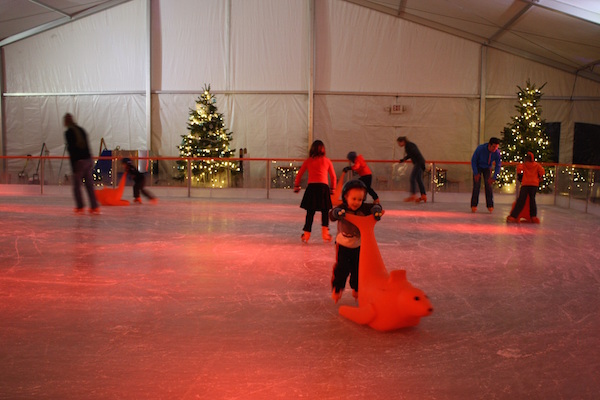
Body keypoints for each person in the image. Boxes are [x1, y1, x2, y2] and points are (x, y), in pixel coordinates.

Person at [329, 180, 383, 303]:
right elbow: (331, 215)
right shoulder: (342, 208)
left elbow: (377, 206)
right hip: (343, 245)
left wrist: (376, 209)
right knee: (342, 268)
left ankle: (357, 289)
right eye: (354, 199)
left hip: (359, 245)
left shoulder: (364, 208)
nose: (357, 202)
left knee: (358, 268)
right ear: (346, 197)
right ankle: (337, 288)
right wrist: (336, 213)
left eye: (360, 199)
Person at [294, 140, 337, 243]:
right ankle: (325, 234)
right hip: (323, 188)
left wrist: (297, 186)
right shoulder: (327, 161)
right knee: (325, 211)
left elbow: (299, 174)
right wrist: (333, 189)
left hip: (312, 188)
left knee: (310, 212)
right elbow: (333, 177)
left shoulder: (308, 161)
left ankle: (307, 234)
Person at [63, 113, 100, 214]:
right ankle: (94, 207)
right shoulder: (81, 130)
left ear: (66, 122)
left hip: (79, 161)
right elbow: (87, 145)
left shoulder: (69, 132)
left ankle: (80, 207)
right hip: (88, 160)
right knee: (89, 185)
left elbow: (72, 150)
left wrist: (74, 165)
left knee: (77, 186)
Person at [507, 151, 545, 223]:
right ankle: (533, 216)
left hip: (525, 184)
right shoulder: (537, 165)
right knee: (532, 200)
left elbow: (519, 170)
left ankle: (513, 216)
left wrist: (520, 177)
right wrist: (540, 177)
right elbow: (542, 172)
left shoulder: (524, 165)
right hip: (534, 184)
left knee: (521, 200)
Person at [471, 137, 502, 213]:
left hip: (487, 168)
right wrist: (476, 173)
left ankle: (490, 205)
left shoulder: (497, 152)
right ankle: (474, 205)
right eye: (494, 147)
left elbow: (498, 165)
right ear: (489, 145)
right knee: (476, 186)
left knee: (488, 186)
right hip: (478, 166)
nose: (495, 149)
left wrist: (494, 177)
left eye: (497, 147)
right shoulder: (480, 149)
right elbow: (473, 160)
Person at [396, 136, 427, 202]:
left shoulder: (408, 146)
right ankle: (423, 195)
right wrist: (403, 159)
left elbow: (414, 153)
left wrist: (404, 159)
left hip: (418, 162)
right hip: (420, 162)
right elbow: (410, 154)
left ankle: (413, 194)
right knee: (418, 179)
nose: (398, 144)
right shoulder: (410, 145)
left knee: (412, 178)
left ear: (402, 141)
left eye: (399, 143)